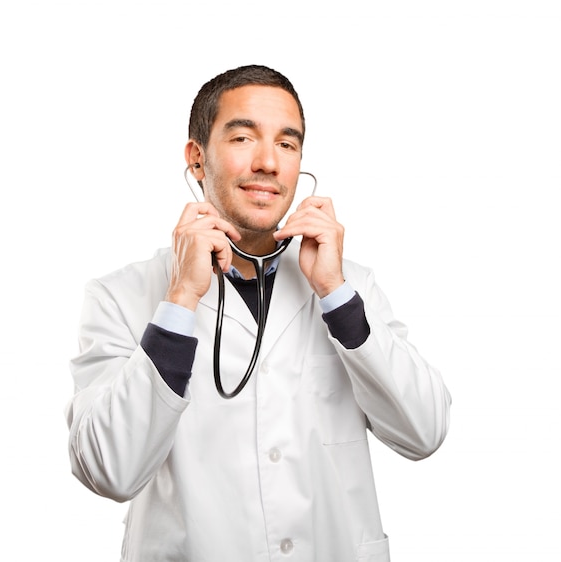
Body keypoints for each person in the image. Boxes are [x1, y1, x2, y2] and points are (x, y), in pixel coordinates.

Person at [65, 64, 451, 562]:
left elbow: (424, 432)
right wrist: (181, 298)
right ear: (197, 158)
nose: (269, 162)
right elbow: (108, 470)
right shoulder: (121, 296)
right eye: (244, 137)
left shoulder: (350, 285)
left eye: (287, 145)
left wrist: (334, 294)